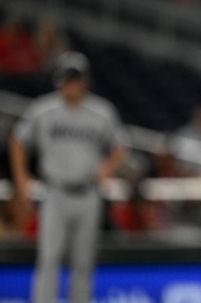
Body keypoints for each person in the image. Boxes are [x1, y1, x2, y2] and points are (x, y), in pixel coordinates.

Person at [9, 51, 127, 303]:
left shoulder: (101, 111)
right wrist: (21, 180)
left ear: (85, 80)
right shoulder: (43, 109)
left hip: (88, 193)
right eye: (66, 78)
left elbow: (120, 146)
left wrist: (105, 169)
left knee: (83, 262)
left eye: (74, 79)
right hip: (55, 192)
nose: (70, 84)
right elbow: (18, 141)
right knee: (49, 258)